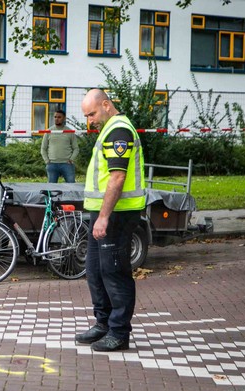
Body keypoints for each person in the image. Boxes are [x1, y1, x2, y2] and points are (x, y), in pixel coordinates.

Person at [74, 89, 146, 352]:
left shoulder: (119, 131)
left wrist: (104, 217)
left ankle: (119, 332)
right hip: (103, 213)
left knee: (114, 272)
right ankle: (103, 324)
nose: (89, 120)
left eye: (92, 113)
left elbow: (117, 177)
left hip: (117, 214)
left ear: (106, 105)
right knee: (94, 270)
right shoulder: (108, 130)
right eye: (86, 115)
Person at [40, 109, 79, 183]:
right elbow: (43, 148)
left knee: (71, 187)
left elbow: (76, 148)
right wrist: (47, 161)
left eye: (59, 117)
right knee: (51, 189)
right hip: (52, 164)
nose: (56, 119)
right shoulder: (48, 131)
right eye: (55, 117)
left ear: (64, 118)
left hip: (67, 164)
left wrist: (71, 159)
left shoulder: (69, 131)